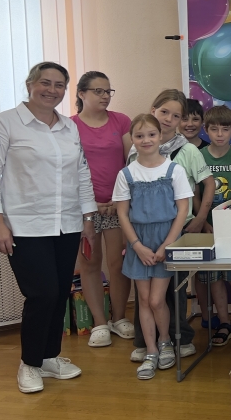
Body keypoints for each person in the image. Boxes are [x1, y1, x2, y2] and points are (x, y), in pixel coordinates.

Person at [0, 61, 97, 394]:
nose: (52, 90)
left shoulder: (69, 127)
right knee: (41, 294)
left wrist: (88, 219)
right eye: (45, 82)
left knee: (58, 293)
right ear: (30, 84)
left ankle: (49, 357)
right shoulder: (4, 123)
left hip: (67, 223)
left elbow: (81, 173)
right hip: (24, 225)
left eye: (59, 85)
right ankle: (29, 363)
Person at [128, 90, 213, 363]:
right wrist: (132, 239)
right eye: (164, 112)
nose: (168, 119)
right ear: (153, 110)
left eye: (176, 116)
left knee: (173, 289)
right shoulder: (137, 148)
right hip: (143, 231)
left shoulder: (187, 150)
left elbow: (207, 183)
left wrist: (200, 218)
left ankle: (179, 338)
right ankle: (145, 342)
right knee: (144, 292)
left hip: (177, 229)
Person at [114, 114, 192, 380]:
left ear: (160, 136)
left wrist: (167, 244)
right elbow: (122, 214)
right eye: (139, 136)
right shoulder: (126, 174)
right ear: (132, 139)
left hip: (165, 240)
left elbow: (182, 209)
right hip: (138, 242)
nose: (146, 140)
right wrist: (136, 246)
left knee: (158, 299)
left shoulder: (174, 170)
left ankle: (165, 341)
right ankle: (150, 351)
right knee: (144, 300)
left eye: (151, 134)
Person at [71, 71, 134, 348]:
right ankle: (99, 323)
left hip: (118, 205)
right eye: (98, 91)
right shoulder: (69, 126)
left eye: (108, 91)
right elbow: (67, 171)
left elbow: (132, 163)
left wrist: (120, 200)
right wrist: (90, 204)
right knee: (90, 264)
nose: (105, 96)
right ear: (81, 94)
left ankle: (119, 318)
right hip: (85, 207)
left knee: (119, 263)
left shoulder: (121, 121)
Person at [197, 105, 231, 348]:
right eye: (214, 129)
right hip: (206, 227)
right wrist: (202, 222)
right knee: (213, 278)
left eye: (225, 129)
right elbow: (194, 192)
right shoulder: (199, 156)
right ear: (206, 130)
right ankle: (225, 322)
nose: (220, 134)